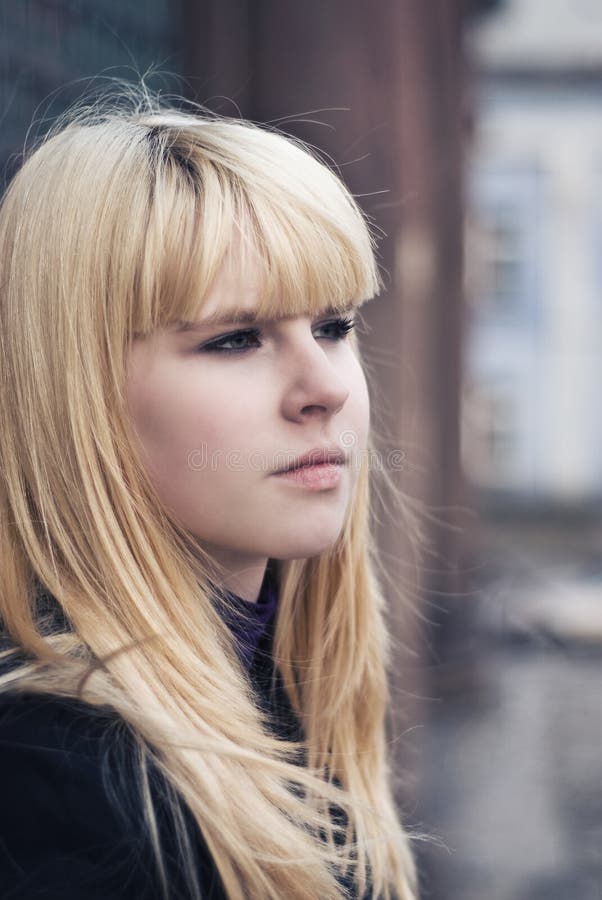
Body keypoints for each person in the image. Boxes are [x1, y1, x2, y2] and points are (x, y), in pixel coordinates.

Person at [0, 89, 419, 899]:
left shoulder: (296, 689)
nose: (323, 387)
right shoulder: (52, 779)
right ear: (75, 390)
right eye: (234, 339)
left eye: (335, 327)